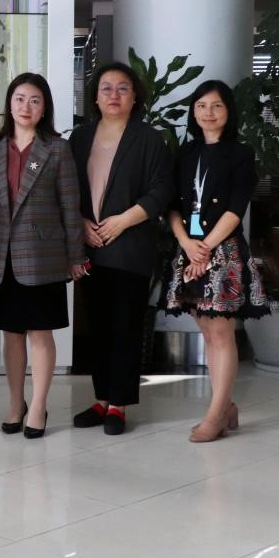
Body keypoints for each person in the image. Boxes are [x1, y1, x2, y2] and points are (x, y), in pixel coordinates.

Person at [161, 80, 269, 443]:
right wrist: (186, 244)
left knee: (221, 333)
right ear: (193, 112)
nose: (208, 113)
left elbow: (236, 209)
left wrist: (204, 248)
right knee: (207, 331)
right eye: (202, 106)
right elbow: (172, 206)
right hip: (188, 249)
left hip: (222, 251)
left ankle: (217, 413)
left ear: (228, 112)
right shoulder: (184, 153)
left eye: (217, 106)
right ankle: (228, 405)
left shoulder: (240, 153)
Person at [68, 62, 173, 435]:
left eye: (123, 88)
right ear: (95, 97)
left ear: (134, 97)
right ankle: (101, 398)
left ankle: (119, 404)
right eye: (106, 88)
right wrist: (80, 222)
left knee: (125, 326)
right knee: (97, 327)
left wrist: (122, 221)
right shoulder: (80, 138)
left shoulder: (148, 138)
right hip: (90, 246)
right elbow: (66, 188)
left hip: (129, 245)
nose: (114, 95)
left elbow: (162, 190)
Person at [0, 73, 87, 439]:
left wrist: (76, 256)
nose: (26, 107)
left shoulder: (57, 149)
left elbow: (70, 205)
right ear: (9, 104)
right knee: (11, 334)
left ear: (44, 109)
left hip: (44, 256)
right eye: (20, 99)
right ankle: (16, 403)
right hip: (1, 255)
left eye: (35, 100)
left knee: (40, 333)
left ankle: (39, 405)